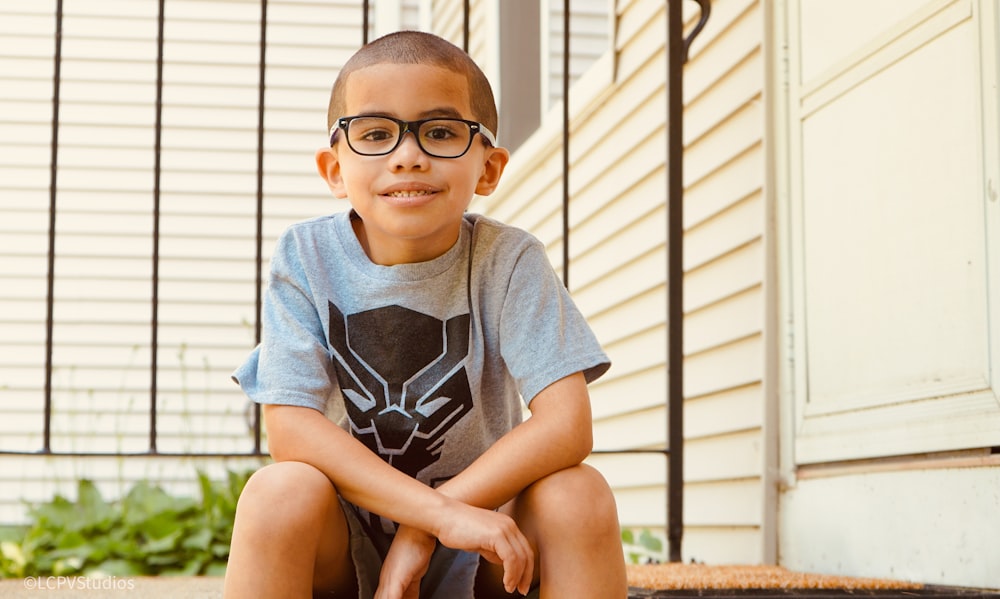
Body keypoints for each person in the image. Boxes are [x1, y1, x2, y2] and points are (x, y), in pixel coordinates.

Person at [225, 30, 627, 599]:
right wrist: (438, 515)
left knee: (577, 494)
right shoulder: (306, 256)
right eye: (375, 134)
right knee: (277, 491)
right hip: (345, 554)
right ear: (334, 169)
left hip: (487, 546)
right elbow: (290, 430)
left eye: (439, 132)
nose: (407, 155)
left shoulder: (508, 261)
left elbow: (566, 425)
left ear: (488, 169)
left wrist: (428, 526)